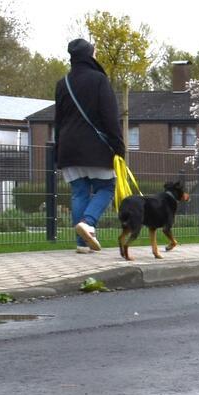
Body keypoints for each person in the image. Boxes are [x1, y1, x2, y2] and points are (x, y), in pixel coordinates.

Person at [54, 38, 125, 253]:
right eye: (95, 53)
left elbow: (58, 119)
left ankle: (82, 244)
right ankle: (88, 223)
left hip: (68, 147)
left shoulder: (62, 83)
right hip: (95, 148)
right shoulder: (99, 80)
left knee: (79, 192)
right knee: (106, 187)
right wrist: (118, 146)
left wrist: (58, 150)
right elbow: (109, 116)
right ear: (89, 55)